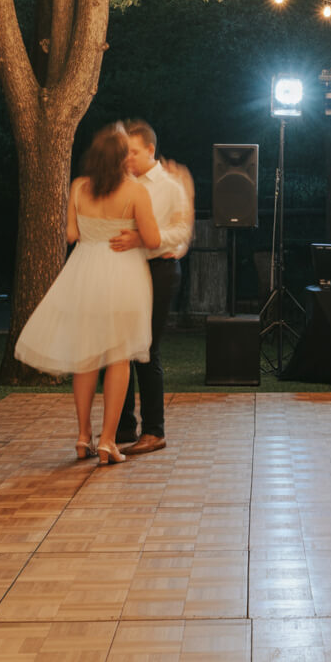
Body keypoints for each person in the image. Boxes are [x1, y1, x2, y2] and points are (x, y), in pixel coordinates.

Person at [15, 124, 161, 465]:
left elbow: (70, 233)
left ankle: (84, 436)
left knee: (85, 359)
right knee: (118, 358)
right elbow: (153, 239)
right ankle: (109, 441)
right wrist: (134, 236)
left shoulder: (79, 187)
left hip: (83, 274)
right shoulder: (135, 191)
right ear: (123, 157)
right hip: (122, 274)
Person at [113, 120, 194, 456]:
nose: (127, 158)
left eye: (133, 151)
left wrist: (145, 240)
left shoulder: (170, 186)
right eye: (123, 153)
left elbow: (181, 233)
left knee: (146, 349)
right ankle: (121, 428)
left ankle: (154, 430)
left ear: (149, 149)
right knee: (120, 350)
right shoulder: (121, 183)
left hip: (159, 269)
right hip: (124, 271)